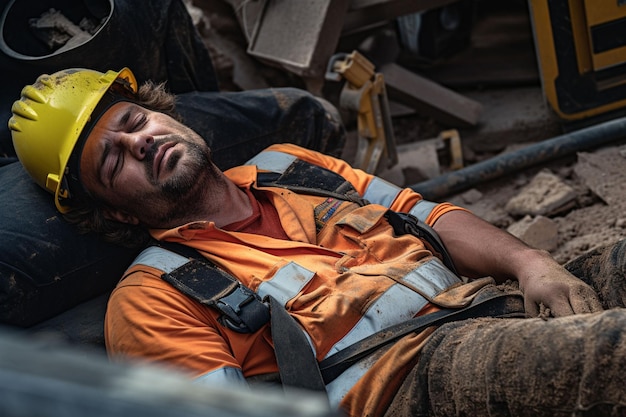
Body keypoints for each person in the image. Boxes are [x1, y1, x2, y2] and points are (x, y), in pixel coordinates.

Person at [9, 67, 626, 417]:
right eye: (113, 163)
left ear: (166, 113)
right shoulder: (154, 300)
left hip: (486, 302)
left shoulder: (291, 166)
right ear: (113, 213)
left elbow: (424, 213)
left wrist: (531, 260)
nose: (138, 143)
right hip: (412, 386)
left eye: (134, 121)